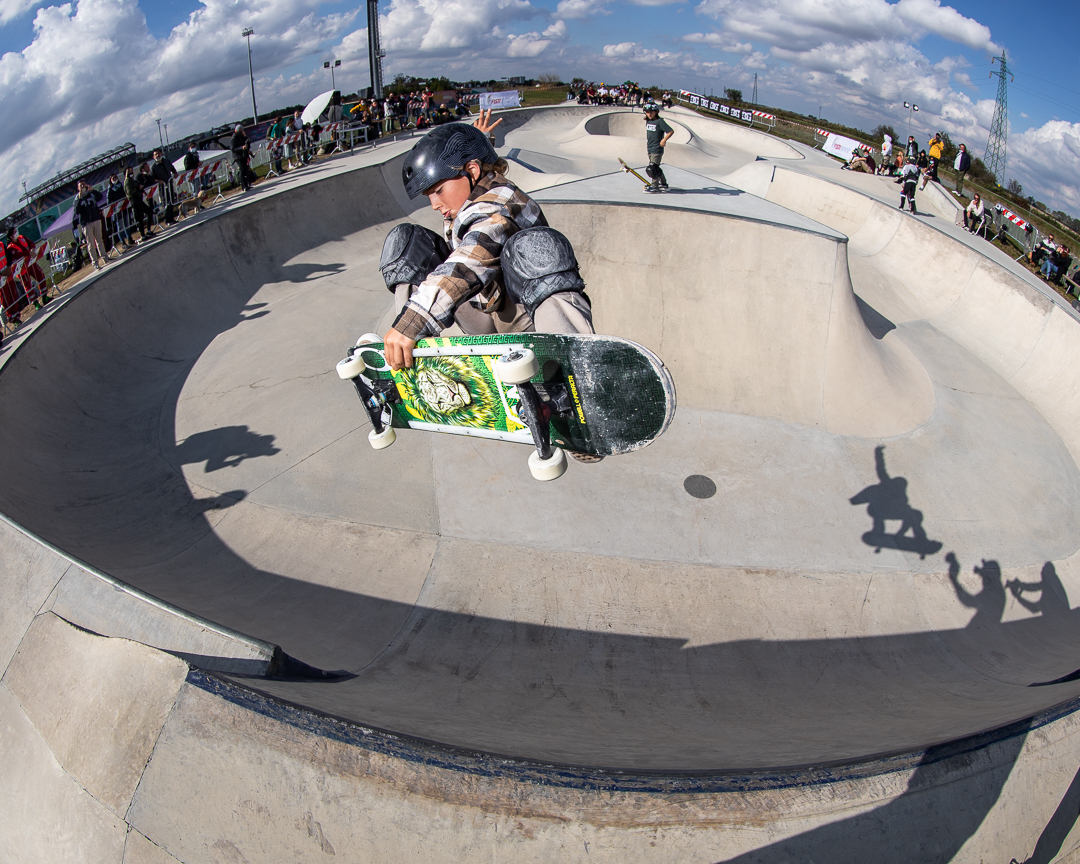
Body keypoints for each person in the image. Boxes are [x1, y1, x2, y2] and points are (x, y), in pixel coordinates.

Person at [379, 114, 594, 380]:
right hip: (484, 315)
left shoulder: (500, 203)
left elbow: (472, 260)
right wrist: (480, 141)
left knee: (535, 249)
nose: (434, 204)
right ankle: (404, 358)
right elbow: (479, 177)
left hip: (524, 321)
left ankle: (577, 369)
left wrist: (414, 320)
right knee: (409, 242)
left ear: (472, 171)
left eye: (439, 191)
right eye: (428, 196)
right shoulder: (467, 190)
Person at [72, 180, 107, 270]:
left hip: (96, 219)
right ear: (78, 188)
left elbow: (100, 196)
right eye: (81, 185)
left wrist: (92, 190)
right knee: (91, 243)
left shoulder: (90, 194)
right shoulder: (77, 198)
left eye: (84, 184)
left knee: (100, 239)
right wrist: (79, 199)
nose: (83, 186)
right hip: (86, 223)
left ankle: (105, 257)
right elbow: (76, 211)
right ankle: (95, 262)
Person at [643, 102, 673, 192]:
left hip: (657, 148)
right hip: (650, 147)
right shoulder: (648, 121)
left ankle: (654, 186)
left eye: (652, 112)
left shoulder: (660, 122)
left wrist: (664, 140)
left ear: (656, 112)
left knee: (653, 168)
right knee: (656, 166)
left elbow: (671, 131)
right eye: (647, 112)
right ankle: (663, 183)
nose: (649, 114)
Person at [124, 166, 152, 243]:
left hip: (139, 200)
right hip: (135, 201)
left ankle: (148, 230)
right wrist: (138, 188)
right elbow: (129, 192)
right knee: (140, 218)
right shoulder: (127, 181)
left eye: (131, 170)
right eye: (129, 171)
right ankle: (143, 235)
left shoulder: (132, 180)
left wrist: (142, 190)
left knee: (149, 211)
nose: (131, 172)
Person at [150, 148, 179, 223]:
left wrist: (175, 173)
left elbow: (172, 168)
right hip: (162, 188)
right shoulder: (153, 167)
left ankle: (172, 218)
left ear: (161, 154)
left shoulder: (166, 161)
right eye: (155, 154)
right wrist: (158, 181)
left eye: (158, 153)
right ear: (153, 156)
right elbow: (152, 179)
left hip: (169, 184)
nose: (157, 155)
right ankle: (167, 220)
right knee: (166, 203)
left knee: (171, 201)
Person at [105, 171, 132, 250]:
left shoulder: (121, 185)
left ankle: (129, 238)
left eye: (116, 177)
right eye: (113, 178)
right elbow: (108, 201)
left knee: (127, 223)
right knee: (120, 226)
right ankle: (123, 242)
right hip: (117, 211)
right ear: (110, 180)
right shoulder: (110, 189)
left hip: (124, 207)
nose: (115, 179)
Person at [230, 125, 254, 192]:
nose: (242, 132)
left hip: (243, 155)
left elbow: (247, 143)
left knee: (246, 169)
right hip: (238, 156)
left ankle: (247, 184)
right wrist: (241, 148)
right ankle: (243, 185)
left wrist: (246, 137)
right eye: (240, 131)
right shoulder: (234, 138)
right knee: (242, 169)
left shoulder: (242, 137)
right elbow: (233, 149)